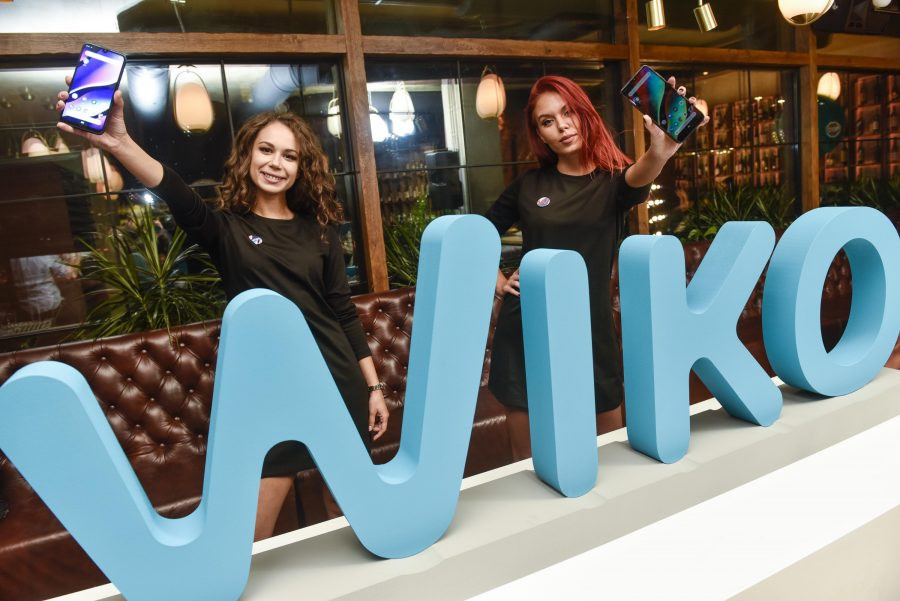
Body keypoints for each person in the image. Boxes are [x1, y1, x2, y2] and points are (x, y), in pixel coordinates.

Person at [56, 79, 389, 541]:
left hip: (336, 380)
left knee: (349, 510)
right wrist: (118, 141)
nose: (275, 163)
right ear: (248, 156)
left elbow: (343, 313)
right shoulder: (225, 229)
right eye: (266, 150)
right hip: (271, 392)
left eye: (289, 156)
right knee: (254, 533)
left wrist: (373, 387)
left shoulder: (320, 232)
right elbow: (173, 189)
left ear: (301, 167)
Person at [484, 75, 709, 460]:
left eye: (568, 113)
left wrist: (660, 151)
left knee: (611, 451)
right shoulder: (529, 186)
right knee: (526, 460)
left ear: (584, 114)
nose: (562, 126)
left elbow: (641, 173)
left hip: (590, 325)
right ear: (540, 134)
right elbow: (479, 233)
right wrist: (500, 281)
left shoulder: (613, 181)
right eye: (547, 121)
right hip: (526, 326)